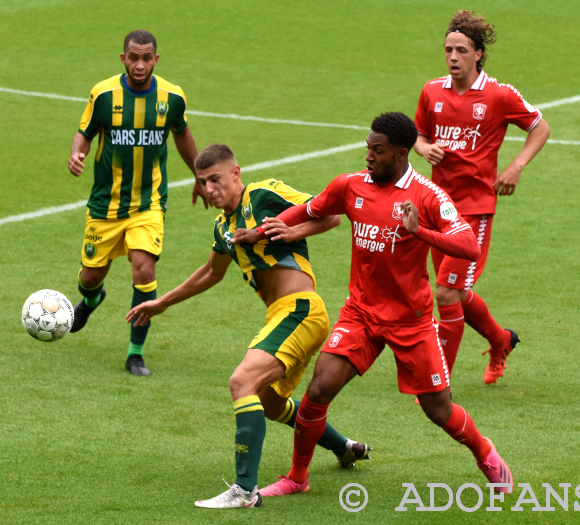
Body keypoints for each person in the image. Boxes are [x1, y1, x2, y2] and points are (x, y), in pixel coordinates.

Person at [235, 112, 513, 496]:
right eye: (368, 147)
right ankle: (297, 478)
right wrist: (265, 229)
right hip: (361, 314)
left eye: (377, 150)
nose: (368, 156)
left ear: (401, 154)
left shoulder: (426, 195)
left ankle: (484, 451)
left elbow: (468, 245)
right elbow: (311, 209)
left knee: (439, 410)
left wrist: (421, 231)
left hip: (411, 321)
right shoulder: (350, 186)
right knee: (319, 391)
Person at [126, 144, 370, 509]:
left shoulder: (263, 195)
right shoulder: (223, 224)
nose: (209, 189)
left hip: (300, 309)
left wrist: (284, 232)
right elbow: (211, 272)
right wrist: (162, 302)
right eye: (203, 182)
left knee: (242, 382)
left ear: (236, 173)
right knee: (270, 403)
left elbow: (332, 215)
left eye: (215, 179)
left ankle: (244, 491)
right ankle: (345, 448)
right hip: (282, 316)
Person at [413, 10, 550, 383]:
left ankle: (437, 381)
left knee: (445, 293)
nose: (453, 57)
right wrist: (423, 149)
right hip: (437, 207)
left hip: (474, 210)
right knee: (452, 290)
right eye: (447, 50)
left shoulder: (499, 95)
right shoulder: (432, 91)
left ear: (478, 54)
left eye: (461, 50)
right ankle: (500, 340)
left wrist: (516, 166)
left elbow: (540, 127)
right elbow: (418, 135)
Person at [67, 29, 208, 376]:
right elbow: (84, 133)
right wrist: (77, 153)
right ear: (123, 58)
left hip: (148, 204)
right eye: (134, 57)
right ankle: (91, 299)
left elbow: (182, 133)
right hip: (105, 205)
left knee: (144, 269)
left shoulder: (171, 98)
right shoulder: (103, 94)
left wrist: (199, 176)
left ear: (156, 60)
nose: (140, 64)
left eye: (147, 58)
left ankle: (135, 352)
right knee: (90, 276)